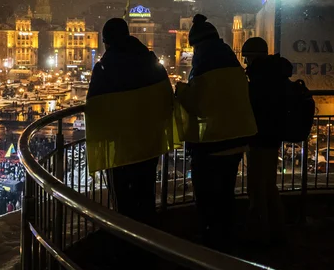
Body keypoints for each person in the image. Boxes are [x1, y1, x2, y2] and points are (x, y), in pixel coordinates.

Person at [175, 14, 257, 251]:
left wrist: (181, 90)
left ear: (198, 44)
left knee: (208, 197)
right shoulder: (230, 59)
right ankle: (227, 239)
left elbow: (199, 104)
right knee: (226, 194)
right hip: (237, 139)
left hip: (212, 143)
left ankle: (211, 244)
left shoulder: (204, 64)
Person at [86, 18, 173, 225]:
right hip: (150, 144)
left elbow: (94, 107)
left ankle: (127, 246)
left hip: (121, 148)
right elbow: (166, 96)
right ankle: (149, 242)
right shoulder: (150, 60)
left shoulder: (105, 68)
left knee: (123, 204)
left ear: (107, 42)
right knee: (146, 195)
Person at [241, 37, 288, 245]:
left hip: (260, 138)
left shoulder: (259, 78)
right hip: (273, 137)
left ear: (252, 58)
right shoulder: (275, 75)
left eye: (247, 59)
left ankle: (262, 235)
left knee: (258, 188)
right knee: (269, 186)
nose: (246, 63)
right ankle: (277, 232)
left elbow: (254, 108)